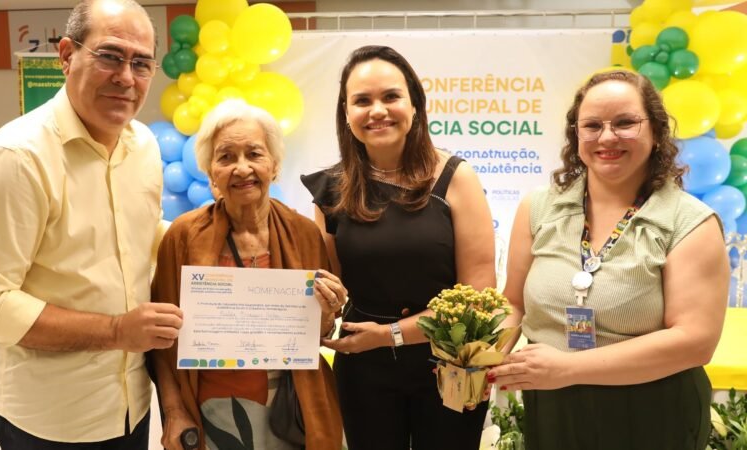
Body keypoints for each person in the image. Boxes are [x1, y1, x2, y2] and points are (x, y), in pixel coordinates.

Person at [0, 0, 183, 448]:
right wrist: (117, 331)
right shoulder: (17, 158)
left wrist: (215, 242)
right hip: (50, 419)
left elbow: (143, 232)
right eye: (110, 56)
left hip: (131, 405)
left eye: (141, 63)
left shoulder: (143, 146)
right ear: (66, 55)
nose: (126, 77)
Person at [486, 70, 729, 450]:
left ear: (656, 131)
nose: (607, 137)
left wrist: (568, 368)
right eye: (593, 125)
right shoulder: (538, 208)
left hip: (652, 410)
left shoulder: (690, 222)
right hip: (552, 406)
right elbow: (513, 302)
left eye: (625, 123)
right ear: (576, 135)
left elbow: (694, 342)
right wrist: (481, 354)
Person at [301, 45, 497, 450]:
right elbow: (329, 292)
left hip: (451, 362)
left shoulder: (456, 178)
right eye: (362, 101)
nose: (378, 111)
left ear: (414, 104)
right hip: (363, 367)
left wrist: (391, 335)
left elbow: (478, 295)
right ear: (346, 112)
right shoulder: (331, 189)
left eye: (391, 96)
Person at [151, 99, 344, 450]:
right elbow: (161, 344)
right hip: (213, 412)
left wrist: (328, 310)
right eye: (226, 157)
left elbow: (317, 333)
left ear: (275, 165)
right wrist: (174, 411)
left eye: (254, 154)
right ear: (211, 171)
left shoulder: (303, 233)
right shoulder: (183, 236)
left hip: (293, 411)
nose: (242, 168)